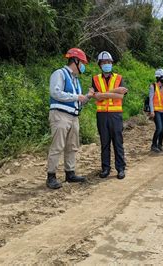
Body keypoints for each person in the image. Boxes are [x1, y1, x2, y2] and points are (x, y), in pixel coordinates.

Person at [46, 48, 93, 189]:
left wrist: (87, 97)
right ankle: (51, 176)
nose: (84, 66)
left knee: (72, 146)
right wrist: (76, 97)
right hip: (60, 115)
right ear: (76, 61)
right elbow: (55, 92)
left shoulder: (76, 80)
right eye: (83, 63)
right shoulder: (59, 73)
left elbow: (77, 100)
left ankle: (70, 172)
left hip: (73, 117)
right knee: (57, 146)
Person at [91, 51, 128, 180]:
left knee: (118, 142)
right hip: (101, 115)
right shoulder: (95, 79)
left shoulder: (119, 78)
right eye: (104, 62)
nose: (107, 64)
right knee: (104, 143)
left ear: (112, 63)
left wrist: (103, 94)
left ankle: (120, 168)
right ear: (100, 65)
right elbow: (96, 97)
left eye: (109, 62)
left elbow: (121, 96)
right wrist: (114, 92)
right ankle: (105, 168)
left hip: (115, 115)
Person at [149, 69, 163, 153]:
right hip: (156, 111)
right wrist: (152, 111)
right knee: (159, 128)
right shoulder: (153, 86)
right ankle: (154, 145)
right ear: (159, 77)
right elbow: (150, 99)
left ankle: (160, 145)